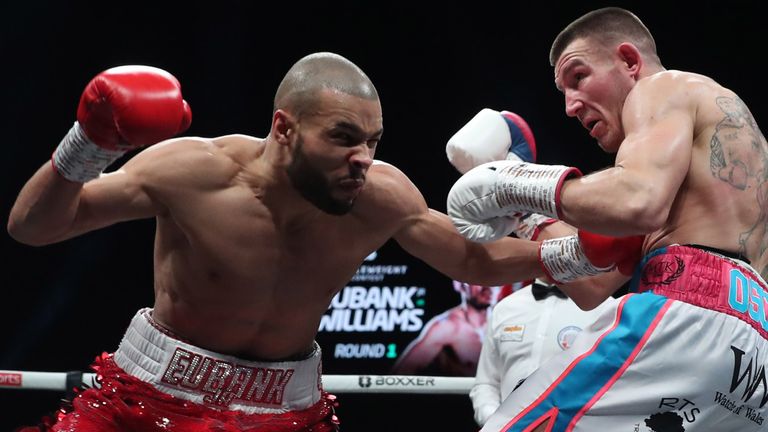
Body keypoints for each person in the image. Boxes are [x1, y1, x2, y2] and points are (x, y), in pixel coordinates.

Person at [7, 53, 566, 431]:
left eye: (372, 141)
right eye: (343, 137)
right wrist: (89, 143)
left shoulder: (382, 196)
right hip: (146, 399)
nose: (362, 159)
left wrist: (575, 253)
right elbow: (34, 227)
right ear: (283, 128)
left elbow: (473, 259)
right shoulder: (194, 172)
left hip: (286, 413)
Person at [447, 7, 768, 431]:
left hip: (685, 321)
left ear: (629, 61)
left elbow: (638, 199)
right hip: (754, 358)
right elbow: (592, 286)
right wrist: (525, 212)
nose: (569, 106)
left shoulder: (663, 88)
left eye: (578, 77)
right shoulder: (694, 170)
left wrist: (512, 181)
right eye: (563, 90)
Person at [469, 280, 615, 427]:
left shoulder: (606, 308)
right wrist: (495, 422)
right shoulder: (505, 308)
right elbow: (486, 383)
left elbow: (612, 384)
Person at [390, 281, 502, 376]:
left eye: (494, 280)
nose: (489, 288)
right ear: (459, 285)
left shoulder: (504, 322)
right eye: (479, 280)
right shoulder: (447, 326)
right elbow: (403, 371)